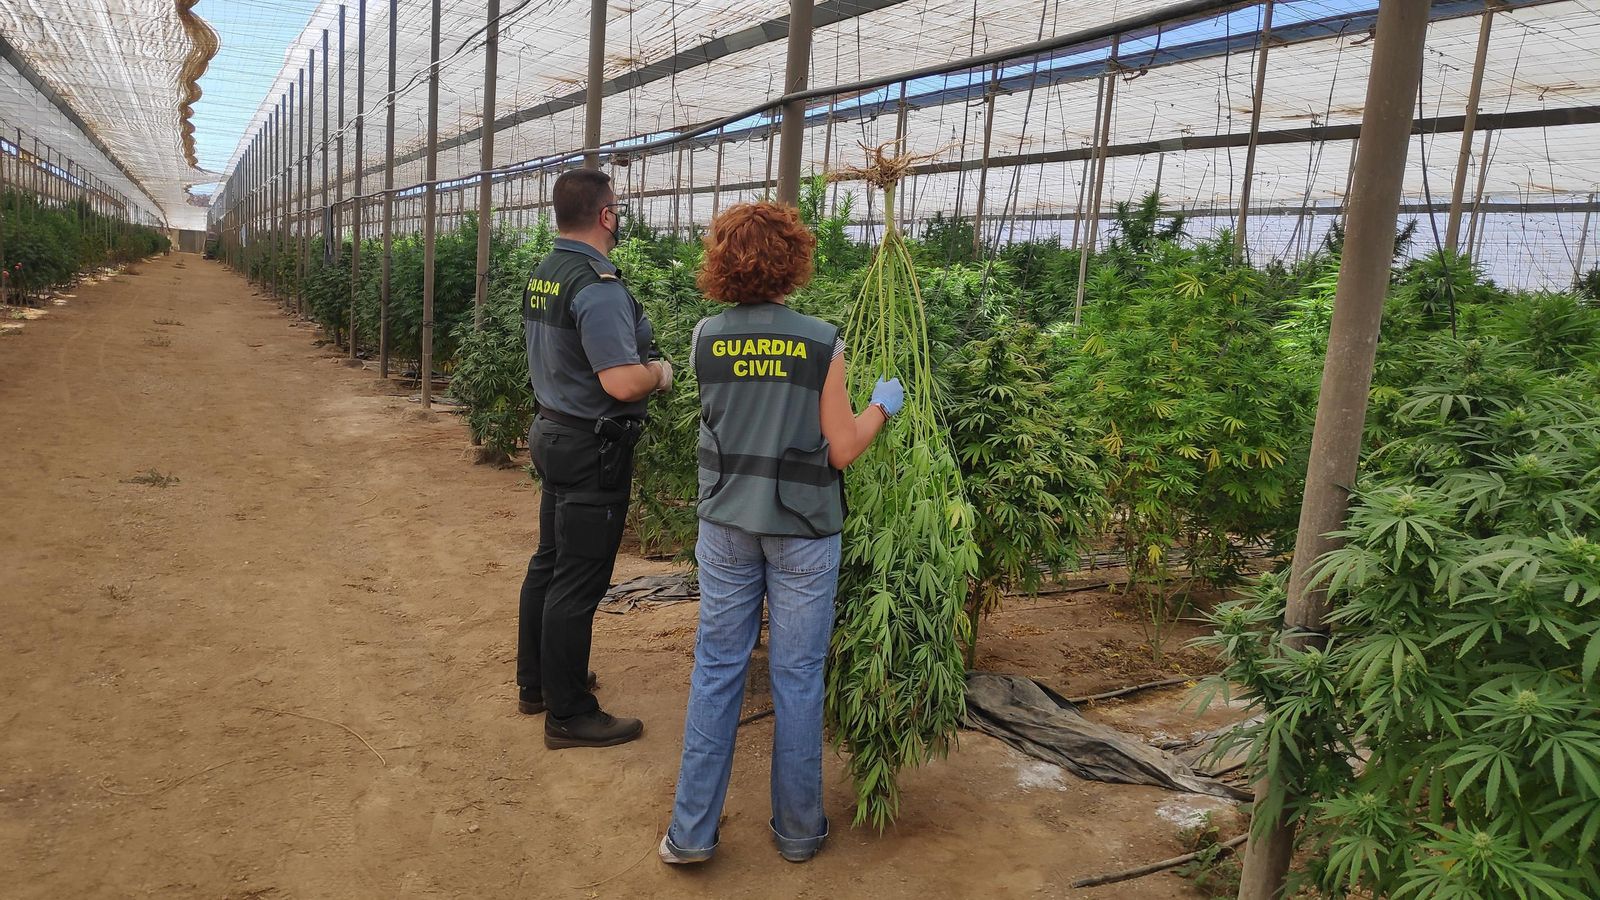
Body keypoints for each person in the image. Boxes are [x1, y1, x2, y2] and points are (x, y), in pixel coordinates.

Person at [659, 202, 903, 865]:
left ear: (721, 261)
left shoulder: (706, 337)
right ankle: (797, 832)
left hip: (727, 524)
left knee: (717, 671)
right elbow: (842, 448)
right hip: (803, 529)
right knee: (797, 678)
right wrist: (881, 407)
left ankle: (691, 834)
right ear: (793, 259)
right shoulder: (820, 341)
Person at [517, 168, 672, 750]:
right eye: (618, 208)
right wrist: (659, 373)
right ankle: (569, 713)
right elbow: (622, 382)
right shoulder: (597, 286)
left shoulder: (546, 272)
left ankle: (538, 684)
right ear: (606, 215)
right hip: (590, 446)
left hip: (553, 429)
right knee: (578, 579)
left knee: (551, 562)